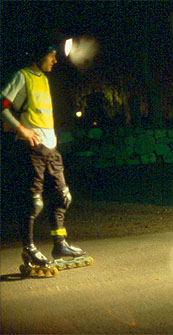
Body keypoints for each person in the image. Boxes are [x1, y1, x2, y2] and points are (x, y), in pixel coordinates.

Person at [1, 37, 86, 268]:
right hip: (32, 149)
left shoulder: (44, 79)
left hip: (51, 147)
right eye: (52, 56)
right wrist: (22, 129)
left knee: (62, 196)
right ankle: (29, 249)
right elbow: (3, 104)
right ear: (40, 55)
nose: (55, 60)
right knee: (33, 202)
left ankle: (60, 244)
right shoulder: (22, 76)